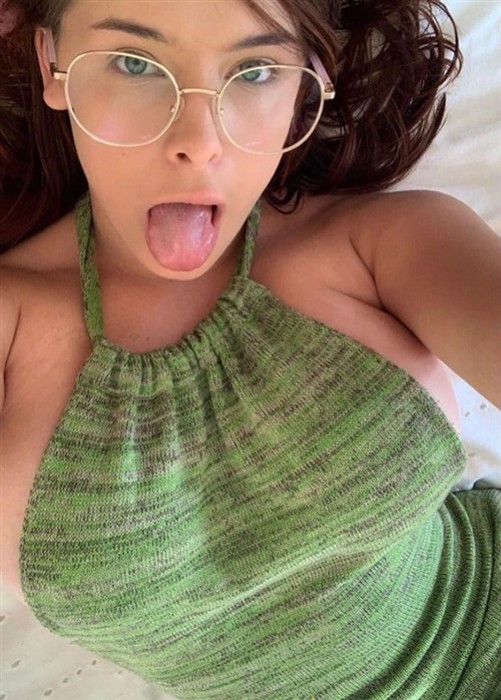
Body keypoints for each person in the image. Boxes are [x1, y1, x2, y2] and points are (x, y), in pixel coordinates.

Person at [0, 0, 500, 698]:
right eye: (135, 64)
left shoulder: (383, 242)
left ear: (307, 83)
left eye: (256, 70)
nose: (198, 142)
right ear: (52, 64)